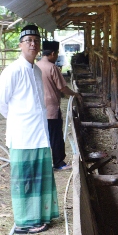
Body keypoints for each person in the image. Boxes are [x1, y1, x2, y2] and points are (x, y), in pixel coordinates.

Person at [0, 25, 58, 234]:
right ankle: (24, 222)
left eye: (36, 40)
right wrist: (17, 121)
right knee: (25, 179)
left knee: (39, 176)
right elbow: (1, 103)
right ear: (20, 44)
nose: (33, 43)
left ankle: (39, 216)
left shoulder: (37, 70)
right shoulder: (12, 70)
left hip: (39, 134)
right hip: (22, 135)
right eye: (28, 40)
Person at [36, 40, 83, 171]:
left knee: (43, 135)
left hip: (39, 107)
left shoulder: (36, 66)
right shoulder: (52, 68)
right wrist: (74, 94)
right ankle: (58, 163)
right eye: (56, 54)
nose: (57, 56)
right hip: (51, 108)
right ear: (52, 53)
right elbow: (62, 88)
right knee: (55, 135)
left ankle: (43, 163)